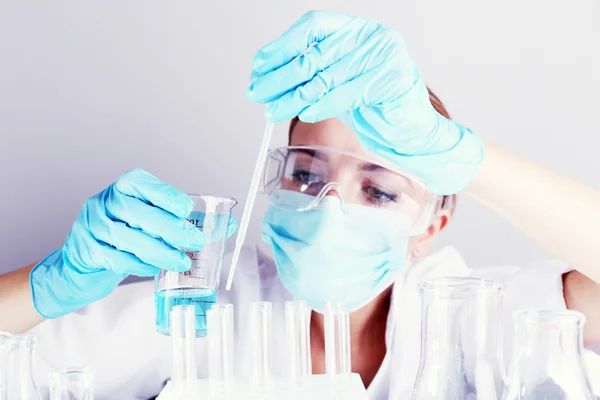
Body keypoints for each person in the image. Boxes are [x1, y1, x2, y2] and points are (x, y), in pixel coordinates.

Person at [1, 10, 600, 400]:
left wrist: (469, 159)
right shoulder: (206, 309)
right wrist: (48, 285)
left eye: (379, 189)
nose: (330, 206)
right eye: (306, 175)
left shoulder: (472, 312)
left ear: (431, 224)